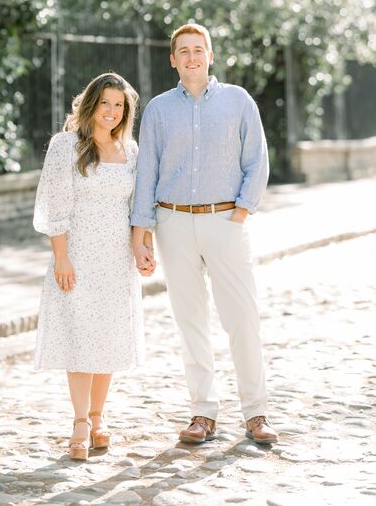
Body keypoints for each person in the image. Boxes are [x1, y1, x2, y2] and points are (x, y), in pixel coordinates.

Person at [131, 23, 278, 445]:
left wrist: (242, 212)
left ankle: (256, 412)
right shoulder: (158, 110)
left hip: (225, 220)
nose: (192, 57)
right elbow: (147, 173)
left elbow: (257, 159)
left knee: (241, 319)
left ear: (210, 56)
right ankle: (203, 412)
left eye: (199, 49)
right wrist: (141, 234)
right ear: (173, 59)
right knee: (189, 320)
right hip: (173, 223)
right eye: (184, 51)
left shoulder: (238, 101)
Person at [33, 72, 147, 461]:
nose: (111, 112)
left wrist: (142, 247)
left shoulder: (130, 150)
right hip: (77, 255)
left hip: (116, 259)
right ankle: (80, 422)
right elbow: (54, 204)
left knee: (109, 337)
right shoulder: (66, 145)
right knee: (80, 338)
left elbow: (136, 208)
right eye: (105, 104)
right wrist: (60, 257)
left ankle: (99, 418)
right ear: (90, 104)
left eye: (119, 105)